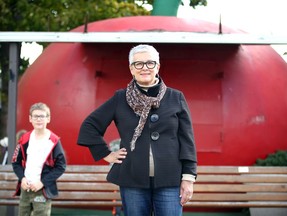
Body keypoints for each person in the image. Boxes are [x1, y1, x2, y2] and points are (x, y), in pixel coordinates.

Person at [77, 44, 197, 216]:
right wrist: (106, 153)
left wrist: (188, 178)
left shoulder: (175, 97)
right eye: (138, 64)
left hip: (170, 180)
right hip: (132, 180)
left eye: (150, 63)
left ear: (158, 67)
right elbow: (90, 126)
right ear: (131, 69)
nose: (144, 68)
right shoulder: (120, 98)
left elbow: (187, 140)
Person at [12, 102, 66, 216]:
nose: (39, 119)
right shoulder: (24, 139)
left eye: (42, 116)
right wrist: (22, 178)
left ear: (48, 119)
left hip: (42, 190)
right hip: (25, 189)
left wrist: (43, 182)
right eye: (35, 116)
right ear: (30, 119)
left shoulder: (53, 141)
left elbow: (61, 167)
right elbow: (15, 162)